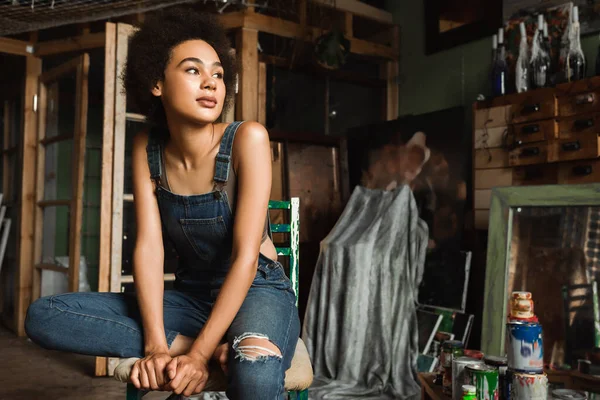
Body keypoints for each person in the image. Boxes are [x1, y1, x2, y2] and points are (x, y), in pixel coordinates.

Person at [24, 7, 300, 399]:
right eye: (193, 70)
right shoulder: (147, 149)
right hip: (191, 298)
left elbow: (245, 258)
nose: (210, 83)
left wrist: (199, 356)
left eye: (218, 74)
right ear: (156, 82)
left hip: (257, 291)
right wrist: (156, 345)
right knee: (45, 316)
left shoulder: (247, 139)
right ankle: (212, 346)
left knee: (254, 373)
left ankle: (231, 350)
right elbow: (149, 248)